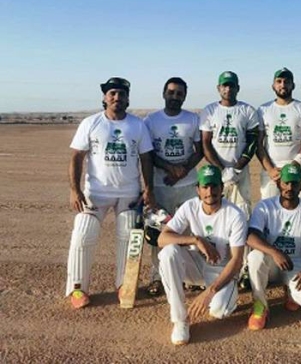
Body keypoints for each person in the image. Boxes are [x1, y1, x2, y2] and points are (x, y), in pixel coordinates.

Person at [66, 77, 155, 309]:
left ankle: (124, 285)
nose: (117, 98)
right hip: (95, 193)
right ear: (105, 97)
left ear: (128, 98)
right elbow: (77, 156)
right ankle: (77, 289)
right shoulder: (91, 123)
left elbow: (146, 158)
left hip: (129, 193)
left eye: (122, 94)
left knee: (128, 236)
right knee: (83, 233)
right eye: (112, 93)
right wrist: (75, 190)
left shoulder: (138, 125)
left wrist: (149, 189)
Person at [157, 164, 247, 346]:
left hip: (222, 271)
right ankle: (180, 320)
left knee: (218, 311)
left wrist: (210, 291)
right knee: (169, 253)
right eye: (205, 187)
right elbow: (162, 238)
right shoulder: (189, 207)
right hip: (197, 265)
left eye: (214, 186)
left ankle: (225, 294)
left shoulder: (235, 214)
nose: (210, 191)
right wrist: (196, 240)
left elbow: (237, 261)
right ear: (197, 189)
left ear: (222, 188)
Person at [246, 163, 301, 330]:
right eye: (286, 182)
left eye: (294, 183)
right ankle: (260, 306)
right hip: (271, 261)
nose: (289, 187)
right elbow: (250, 236)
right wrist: (274, 252)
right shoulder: (265, 206)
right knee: (255, 256)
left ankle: (290, 290)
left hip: (296, 262)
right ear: (278, 183)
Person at [143, 77, 203, 296]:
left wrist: (183, 170)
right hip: (162, 185)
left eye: (179, 94)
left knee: (189, 230)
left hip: (188, 185)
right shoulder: (151, 121)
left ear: (184, 96)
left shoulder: (192, 119)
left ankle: (190, 276)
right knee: (159, 232)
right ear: (164, 93)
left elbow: (199, 150)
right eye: (171, 92)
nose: (175, 97)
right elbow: (148, 154)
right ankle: (157, 277)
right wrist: (169, 169)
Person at [200, 71, 260, 218]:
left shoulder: (247, 110)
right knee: (217, 211)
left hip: (241, 172)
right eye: (224, 86)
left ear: (237, 88)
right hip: (216, 172)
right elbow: (206, 144)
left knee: (243, 211)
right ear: (218, 88)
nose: (228, 89)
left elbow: (253, 141)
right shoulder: (209, 111)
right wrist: (222, 170)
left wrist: (237, 169)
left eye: (231, 86)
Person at [257, 68, 301, 201]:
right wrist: (270, 169)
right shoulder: (263, 110)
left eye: (287, 82)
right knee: (270, 211)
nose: (283, 85)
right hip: (272, 171)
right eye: (279, 81)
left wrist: (296, 163)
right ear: (273, 86)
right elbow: (259, 143)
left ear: (293, 85)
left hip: (298, 169)